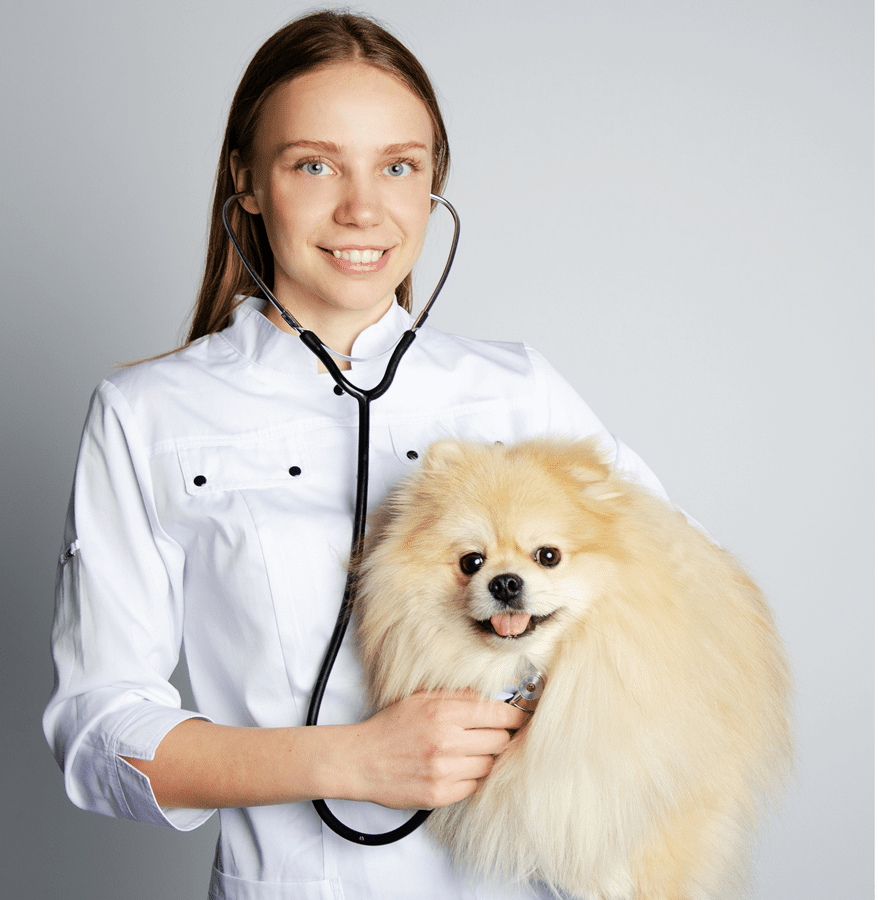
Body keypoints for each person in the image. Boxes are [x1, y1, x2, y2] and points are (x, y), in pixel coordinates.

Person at [43, 11, 668, 898]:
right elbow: (97, 731)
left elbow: (669, 608)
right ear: (247, 182)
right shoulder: (147, 416)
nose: (361, 209)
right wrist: (353, 760)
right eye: (314, 164)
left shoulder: (519, 389)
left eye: (398, 167)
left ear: (431, 186)